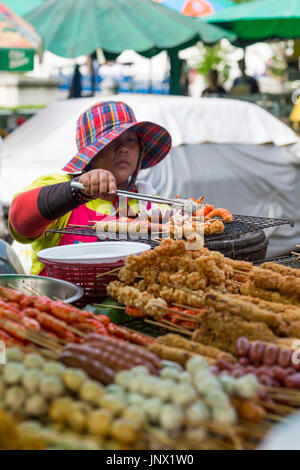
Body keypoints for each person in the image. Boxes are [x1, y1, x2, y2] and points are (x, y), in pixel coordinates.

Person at [8, 101, 171, 276]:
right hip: (60, 301)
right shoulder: (59, 185)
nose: (123, 148)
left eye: (130, 140)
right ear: (91, 153)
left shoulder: (151, 204)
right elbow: (20, 223)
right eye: (112, 140)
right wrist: (76, 191)